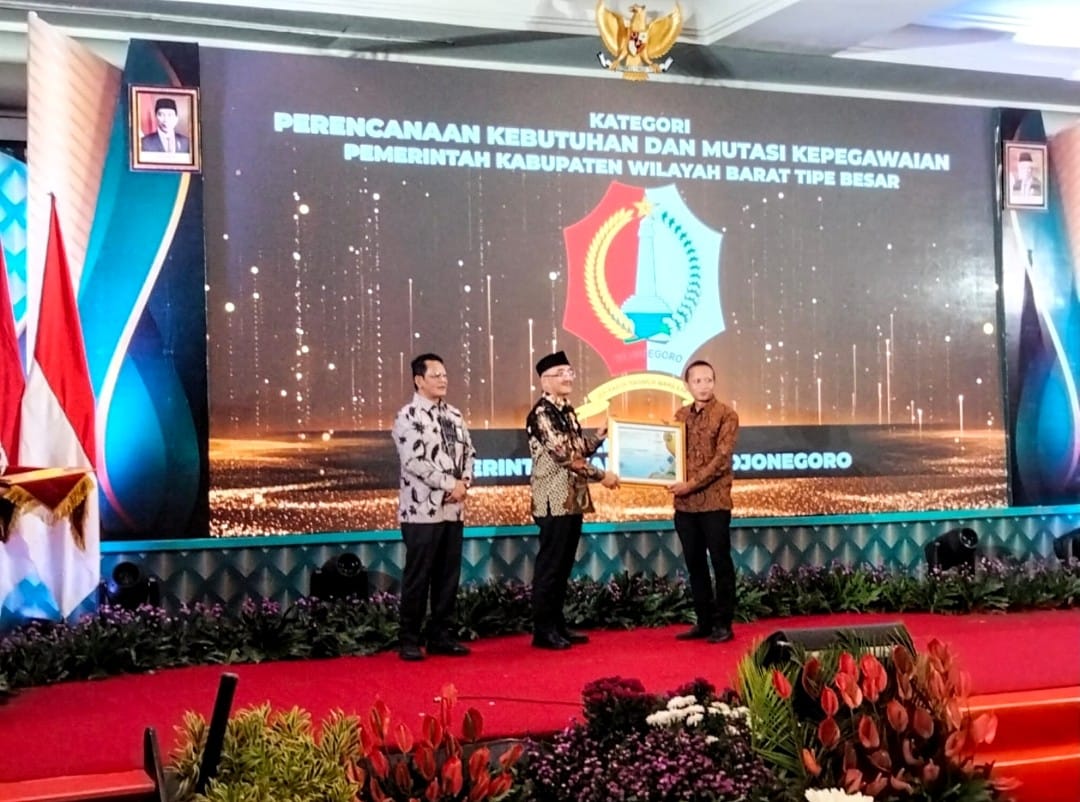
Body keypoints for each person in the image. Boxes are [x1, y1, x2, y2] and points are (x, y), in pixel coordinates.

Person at [526, 350, 619, 649]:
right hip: (552, 499)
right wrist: (602, 476)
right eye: (561, 373)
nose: (568, 378)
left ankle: (557, 624)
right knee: (551, 566)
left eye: (570, 372)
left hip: (572, 498)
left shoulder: (566, 410)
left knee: (563, 565)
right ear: (545, 380)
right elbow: (564, 455)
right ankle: (543, 631)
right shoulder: (541, 413)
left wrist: (598, 438)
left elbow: (577, 448)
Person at [391, 353, 475, 661]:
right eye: (435, 375)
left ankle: (441, 636)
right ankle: (409, 639)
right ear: (419, 380)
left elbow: (470, 452)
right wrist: (449, 484)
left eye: (444, 374)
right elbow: (413, 461)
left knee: (447, 576)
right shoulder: (408, 416)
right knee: (419, 576)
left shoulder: (454, 414)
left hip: (453, 508)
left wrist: (464, 483)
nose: (443, 380)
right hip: (421, 511)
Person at [667, 359, 740, 644]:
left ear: (714, 382)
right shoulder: (680, 415)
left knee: (721, 563)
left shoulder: (726, 415)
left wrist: (690, 484)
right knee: (694, 564)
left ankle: (724, 624)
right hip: (685, 506)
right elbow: (669, 454)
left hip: (714, 503)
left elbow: (721, 460)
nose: (704, 386)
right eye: (697, 381)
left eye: (708, 380)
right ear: (688, 385)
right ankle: (704, 622)